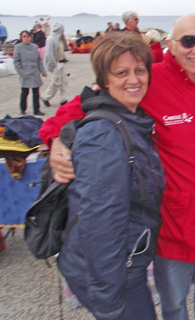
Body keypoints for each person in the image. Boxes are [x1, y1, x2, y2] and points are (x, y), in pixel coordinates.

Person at [38, 13, 195, 320]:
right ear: (171, 45)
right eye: (188, 41)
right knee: (173, 305)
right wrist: (57, 138)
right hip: (176, 227)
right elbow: (85, 105)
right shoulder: (148, 79)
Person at [57, 32, 165, 320]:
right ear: (104, 80)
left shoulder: (129, 118)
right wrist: (108, 302)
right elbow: (100, 221)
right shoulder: (104, 136)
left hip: (124, 265)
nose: (134, 79)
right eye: (122, 72)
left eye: (140, 70)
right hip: (114, 274)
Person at [13, 30, 47, 116]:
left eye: (28, 36)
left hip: (34, 71)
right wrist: (21, 72)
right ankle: (23, 109)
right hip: (25, 72)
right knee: (25, 92)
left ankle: (36, 110)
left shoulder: (35, 46)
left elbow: (39, 60)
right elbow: (16, 62)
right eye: (24, 36)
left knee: (36, 92)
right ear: (21, 38)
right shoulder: (18, 47)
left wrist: (43, 72)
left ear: (30, 37)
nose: (26, 38)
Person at [41, 22, 69, 107]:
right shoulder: (50, 39)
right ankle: (45, 97)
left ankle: (64, 99)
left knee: (64, 82)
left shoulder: (59, 39)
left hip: (61, 62)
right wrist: (54, 64)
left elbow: (62, 49)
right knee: (56, 83)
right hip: (55, 64)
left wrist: (64, 59)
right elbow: (49, 54)